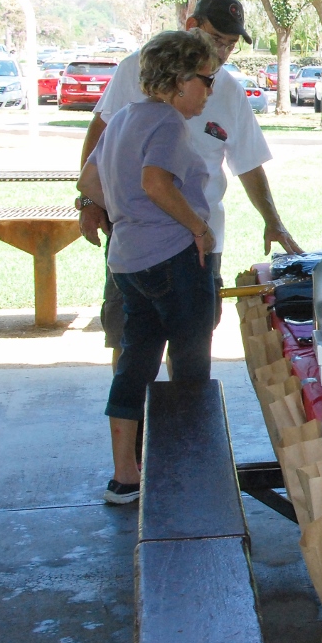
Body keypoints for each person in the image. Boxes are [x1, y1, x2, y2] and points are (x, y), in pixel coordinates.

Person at [78, 0, 302, 373]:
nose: (224, 52)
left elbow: (247, 162)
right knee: (131, 346)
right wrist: (90, 204)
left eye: (231, 45)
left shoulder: (229, 88)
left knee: (191, 351)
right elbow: (100, 139)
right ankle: (134, 430)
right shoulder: (137, 69)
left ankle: (187, 427)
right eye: (217, 40)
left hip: (200, 245)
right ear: (191, 26)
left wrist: (273, 221)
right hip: (137, 241)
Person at [78, 31, 221, 504]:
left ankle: (126, 475)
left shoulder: (122, 118)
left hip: (127, 261)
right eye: (206, 79)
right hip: (173, 257)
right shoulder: (166, 122)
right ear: (180, 81)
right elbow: (156, 182)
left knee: (135, 359)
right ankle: (189, 467)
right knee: (190, 363)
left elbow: (90, 179)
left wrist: (124, 212)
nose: (210, 89)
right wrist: (198, 227)